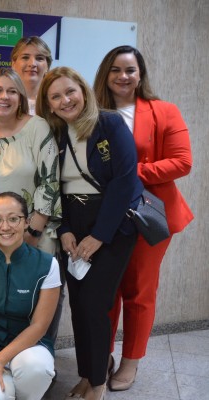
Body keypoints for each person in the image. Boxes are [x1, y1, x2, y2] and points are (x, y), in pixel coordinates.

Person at [37, 66, 143, 400]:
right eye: (56, 96)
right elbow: (56, 185)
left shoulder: (109, 123)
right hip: (74, 220)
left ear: (83, 91)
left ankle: (97, 383)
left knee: (95, 303)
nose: (65, 100)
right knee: (80, 304)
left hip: (112, 223)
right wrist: (65, 229)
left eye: (70, 91)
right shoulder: (56, 132)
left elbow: (124, 182)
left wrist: (99, 235)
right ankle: (87, 374)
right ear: (49, 105)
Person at [93, 46, 193, 391]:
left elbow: (182, 162)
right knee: (106, 291)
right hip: (102, 217)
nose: (123, 76)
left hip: (147, 216)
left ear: (140, 75)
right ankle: (101, 356)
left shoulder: (164, 111)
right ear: (105, 74)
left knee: (139, 292)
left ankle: (130, 361)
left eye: (130, 70)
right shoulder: (92, 112)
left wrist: (129, 173)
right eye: (116, 70)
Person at [0, 192, 60, 400]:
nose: (5, 227)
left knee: (36, 368)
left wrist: (0, 361)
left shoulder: (47, 265)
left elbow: (39, 326)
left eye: (13, 219)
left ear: (26, 222)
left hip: (30, 348)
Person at [0, 68, 60, 256]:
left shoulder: (37, 127)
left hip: (33, 236)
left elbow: (50, 183)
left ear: (21, 97)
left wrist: (33, 233)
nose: (4, 97)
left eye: (12, 91)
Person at [10, 36, 53, 115]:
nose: (32, 64)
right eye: (25, 57)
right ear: (13, 64)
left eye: (39, 58)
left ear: (47, 66)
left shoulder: (55, 102)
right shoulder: (4, 100)